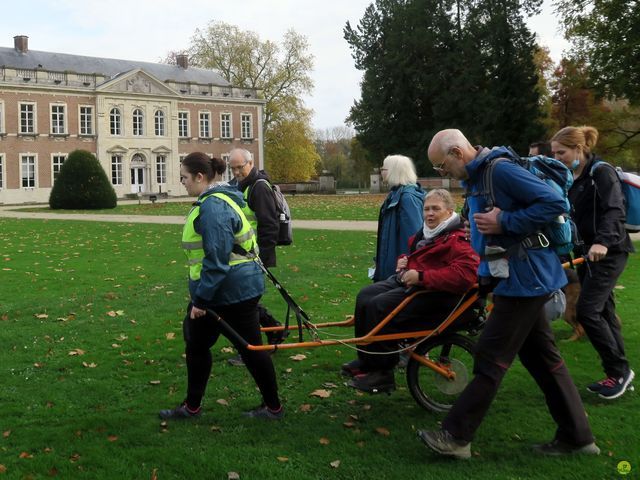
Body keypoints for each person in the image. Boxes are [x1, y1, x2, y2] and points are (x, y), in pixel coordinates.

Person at [418, 129, 598, 459]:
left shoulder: (500, 170)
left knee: (490, 355)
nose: (442, 173)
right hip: (513, 279)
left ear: (458, 153)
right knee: (544, 360)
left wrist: (506, 222)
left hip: (526, 278)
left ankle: (456, 437)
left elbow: (555, 202)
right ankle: (578, 437)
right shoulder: (479, 178)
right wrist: (484, 274)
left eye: (442, 166)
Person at [159, 152, 283, 420]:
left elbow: (217, 259)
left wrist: (201, 301)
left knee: (249, 349)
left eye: (184, 177)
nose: (182, 182)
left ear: (200, 177)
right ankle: (193, 406)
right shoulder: (220, 198)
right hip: (230, 289)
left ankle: (273, 407)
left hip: (229, 292)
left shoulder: (214, 206)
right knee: (198, 343)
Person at [342, 189, 479, 393]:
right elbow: (419, 257)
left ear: (450, 211)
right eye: (426, 209)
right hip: (415, 282)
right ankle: (367, 360)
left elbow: (464, 277)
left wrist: (421, 276)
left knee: (379, 306)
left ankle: (382, 374)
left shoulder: (459, 238)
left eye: (436, 209)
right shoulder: (428, 232)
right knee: (365, 295)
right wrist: (404, 262)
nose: (429, 214)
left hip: (439, 295)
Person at [551, 125, 634, 399]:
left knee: (587, 310)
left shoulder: (601, 172)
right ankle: (619, 374)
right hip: (586, 255)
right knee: (606, 312)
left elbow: (614, 209)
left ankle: (619, 371)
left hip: (609, 252)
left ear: (579, 148)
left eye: (561, 152)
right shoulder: (573, 177)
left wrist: (603, 241)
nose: (556, 157)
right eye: (554, 153)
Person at [227, 148, 284, 366]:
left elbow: (270, 226)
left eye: (239, 167)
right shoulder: (242, 186)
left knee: (244, 305)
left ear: (250, 163)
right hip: (244, 255)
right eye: (233, 168)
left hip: (255, 256)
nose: (236, 172)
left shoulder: (259, 188)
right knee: (245, 302)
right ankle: (275, 331)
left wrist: (262, 258)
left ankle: (254, 350)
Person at [373, 155, 425, 282]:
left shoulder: (407, 198)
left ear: (393, 171)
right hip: (392, 265)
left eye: (383, 169)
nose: (381, 172)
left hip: (400, 268)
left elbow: (414, 236)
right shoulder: (394, 195)